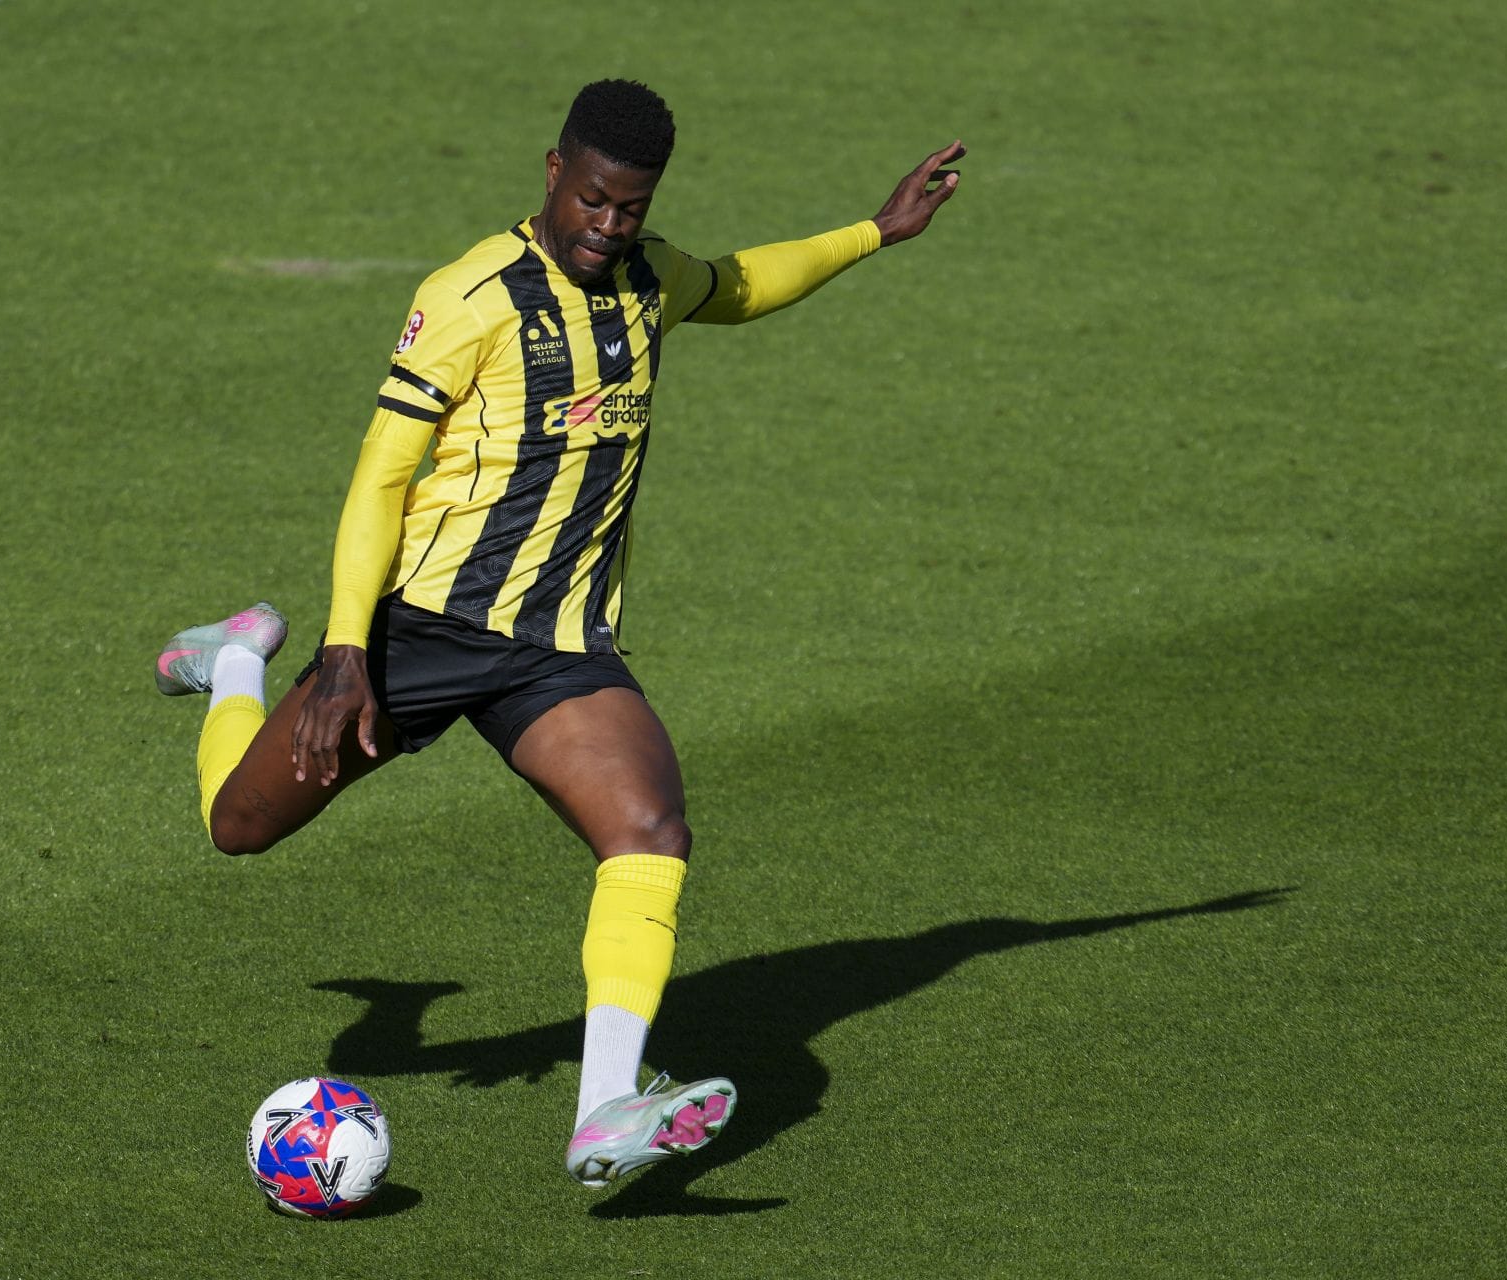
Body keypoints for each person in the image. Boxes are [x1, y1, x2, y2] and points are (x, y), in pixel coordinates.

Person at [154, 79, 963, 1190]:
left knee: (650, 830)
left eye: (629, 209)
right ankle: (237, 656)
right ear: (552, 172)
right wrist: (343, 648)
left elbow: (738, 284)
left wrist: (876, 229)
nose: (607, 227)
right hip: (423, 631)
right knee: (237, 824)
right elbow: (381, 476)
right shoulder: (471, 296)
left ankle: (605, 1111)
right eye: (592, 200)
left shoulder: (647, 278)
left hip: (558, 646)